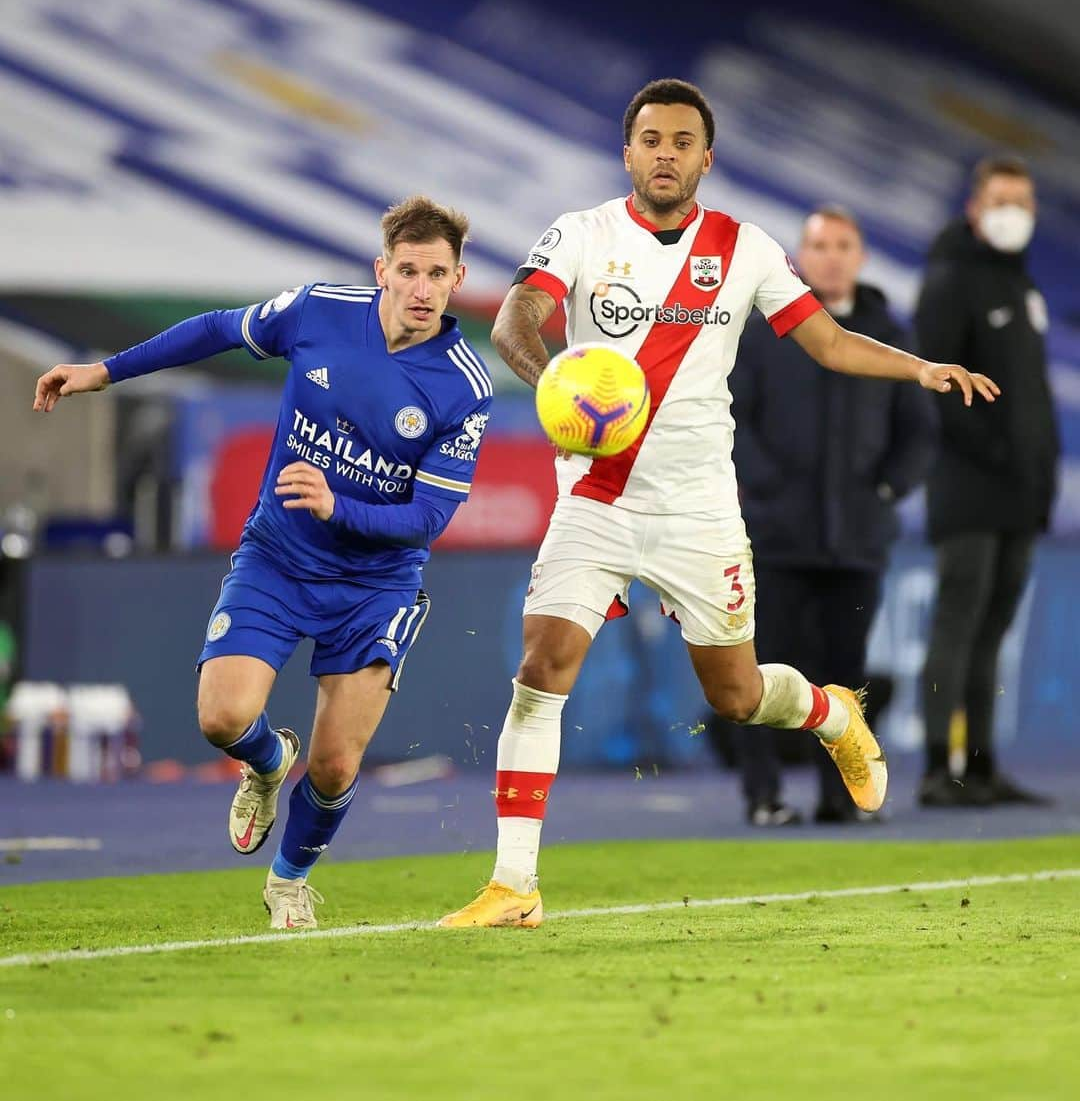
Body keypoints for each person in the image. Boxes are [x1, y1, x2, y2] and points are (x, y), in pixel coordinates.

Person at [437, 79, 997, 929]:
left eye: (681, 141)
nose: (665, 153)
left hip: (700, 508)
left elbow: (830, 341)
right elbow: (519, 316)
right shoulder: (582, 233)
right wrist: (553, 375)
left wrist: (917, 368)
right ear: (628, 152)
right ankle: (515, 883)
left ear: (706, 157)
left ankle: (829, 710)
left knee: (734, 696)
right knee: (542, 667)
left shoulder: (746, 249)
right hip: (595, 494)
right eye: (650, 139)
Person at [33, 196, 492, 928]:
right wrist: (106, 371)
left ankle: (288, 881)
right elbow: (217, 329)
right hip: (278, 557)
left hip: (375, 586)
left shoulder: (464, 386)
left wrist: (338, 507)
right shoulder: (317, 310)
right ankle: (267, 760)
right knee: (221, 718)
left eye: (437, 274)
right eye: (407, 270)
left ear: (457, 277)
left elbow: (427, 520)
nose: (421, 288)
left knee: (339, 764)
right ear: (382, 271)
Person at [723, 205, 934, 826]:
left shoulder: (891, 332)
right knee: (763, 672)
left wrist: (889, 490)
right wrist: (766, 490)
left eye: (844, 244)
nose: (833, 255)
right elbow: (734, 417)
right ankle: (763, 795)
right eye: (821, 244)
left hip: (858, 541)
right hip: (777, 537)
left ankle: (840, 798)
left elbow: (919, 431)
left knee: (845, 673)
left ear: (860, 255)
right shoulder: (765, 331)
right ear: (801, 256)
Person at [916, 155, 1058, 807]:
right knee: (958, 626)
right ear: (974, 208)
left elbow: (1033, 397)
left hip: (1021, 494)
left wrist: (1040, 472)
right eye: (1001, 200)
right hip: (969, 487)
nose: (1013, 213)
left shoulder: (1021, 288)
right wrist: (997, 451)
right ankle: (934, 769)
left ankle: (979, 765)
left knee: (993, 632)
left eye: (1023, 203)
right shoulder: (949, 280)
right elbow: (939, 389)